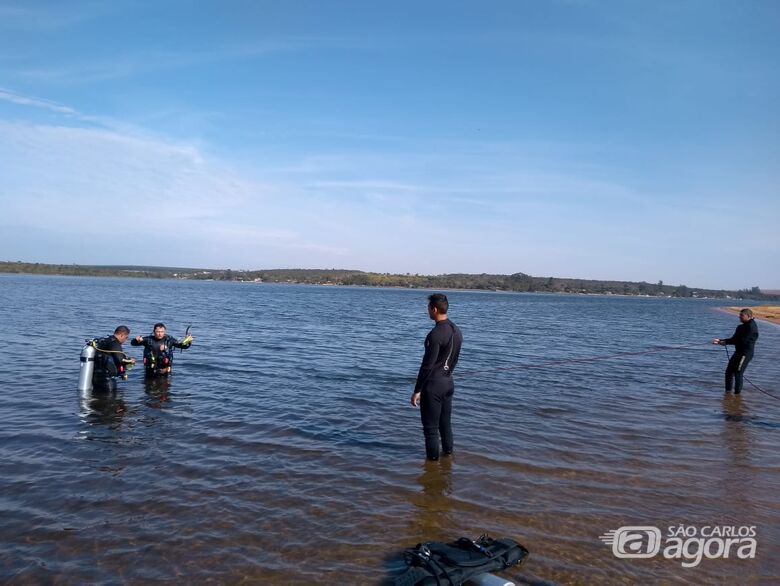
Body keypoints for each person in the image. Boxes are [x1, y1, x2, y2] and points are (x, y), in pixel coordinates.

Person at [410, 294, 463, 461]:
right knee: (445, 424)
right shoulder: (456, 330)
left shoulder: (435, 334)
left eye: (428, 308)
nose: (427, 311)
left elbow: (427, 365)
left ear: (434, 309)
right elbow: (453, 360)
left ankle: (432, 466)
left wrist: (417, 390)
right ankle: (448, 459)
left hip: (433, 387)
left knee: (431, 429)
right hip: (448, 383)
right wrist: (446, 373)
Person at [712, 308, 759, 394]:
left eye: (741, 315)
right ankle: (728, 393)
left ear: (748, 316)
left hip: (745, 354)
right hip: (738, 352)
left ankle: (737, 396)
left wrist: (724, 342)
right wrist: (720, 340)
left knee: (738, 373)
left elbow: (741, 340)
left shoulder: (751, 327)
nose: (739, 317)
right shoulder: (741, 327)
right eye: (739, 315)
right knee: (729, 372)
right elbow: (734, 339)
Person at [92, 325, 134, 392]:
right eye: (126, 337)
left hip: (95, 377)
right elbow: (120, 360)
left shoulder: (106, 340)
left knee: (98, 398)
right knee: (111, 401)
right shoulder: (115, 343)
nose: (125, 340)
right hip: (107, 380)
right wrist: (130, 361)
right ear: (121, 335)